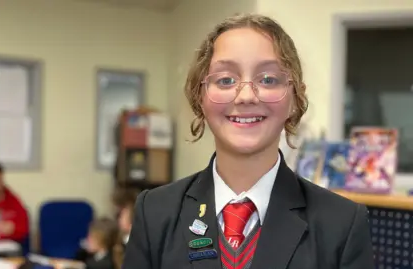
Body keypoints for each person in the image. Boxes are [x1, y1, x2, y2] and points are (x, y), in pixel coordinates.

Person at [123, 13, 374, 269]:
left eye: (268, 80)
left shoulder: (342, 224)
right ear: (200, 96)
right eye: (225, 80)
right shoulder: (154, 212)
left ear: (295, 98)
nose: (245, 96)